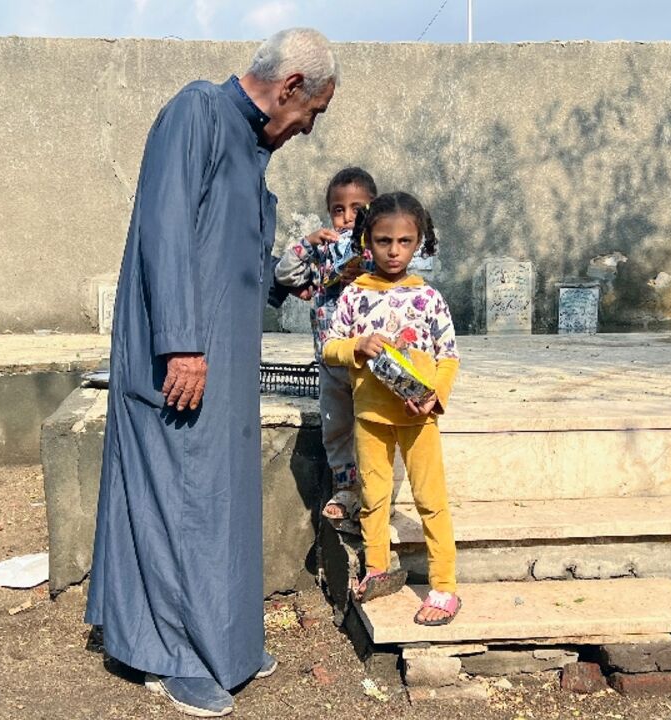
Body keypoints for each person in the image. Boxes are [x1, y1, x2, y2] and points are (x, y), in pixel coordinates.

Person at [86, 28, 337, 717]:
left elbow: (232, 258)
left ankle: (223, 640)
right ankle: (173, 658)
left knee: (218, 496)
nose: (307, 129)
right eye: (311, 113)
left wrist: (286, 283)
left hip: (222, 358)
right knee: (181, 497)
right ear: (290, 86)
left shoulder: (249, 146)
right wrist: (181, 345)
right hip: (183, 357)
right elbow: (165, 232)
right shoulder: (196, 113)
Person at [321, 192, 463, 626]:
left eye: (405, 241)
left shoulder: (429, 299)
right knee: (374, 498)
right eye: (384, 241)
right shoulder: (354, 296)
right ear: (368, 241)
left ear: (419, 241)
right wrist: (356, 347)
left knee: (430, 499)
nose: (394, 251)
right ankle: (377, 568)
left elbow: (449, 356)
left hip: (417, 418)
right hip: (369, 416)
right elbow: (329, 348)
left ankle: (444, 586)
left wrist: (434, 396)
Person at [274, 167, 377, 534]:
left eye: (357, 209)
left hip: (367, 361)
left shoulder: (377, 248)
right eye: (338, 209)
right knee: (336, 426)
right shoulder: (321, 252)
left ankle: (373, 491)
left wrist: (364, 269)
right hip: (331, 359)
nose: (347, 218)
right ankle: (345, 487)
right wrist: (307, 243)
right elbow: (286, 274)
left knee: (370, 425)